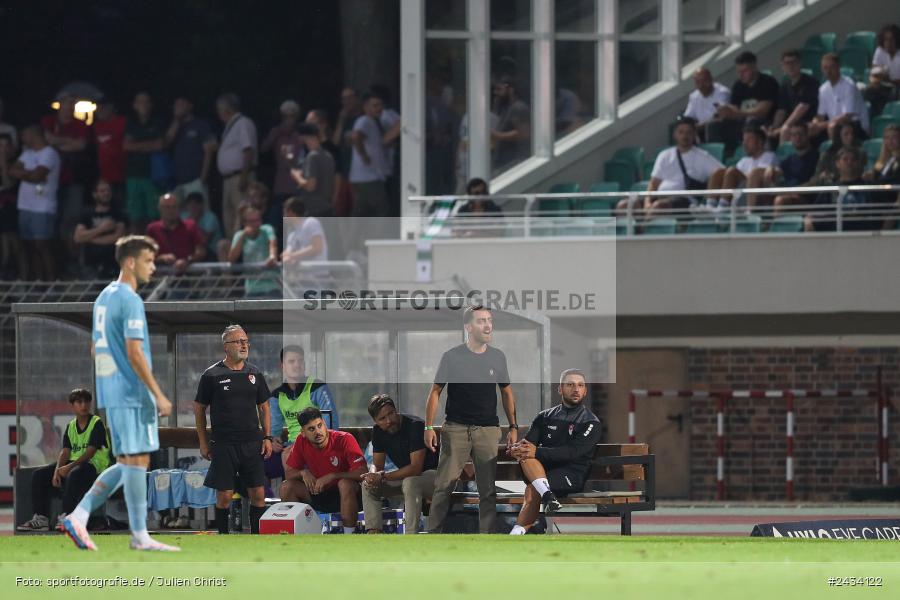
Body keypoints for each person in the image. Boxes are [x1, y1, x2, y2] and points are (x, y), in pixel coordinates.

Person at [61, 235, 177, 552]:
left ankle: (84, 517)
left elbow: (94, 348)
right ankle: (133, 533)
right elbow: (135, 352)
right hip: (131, 393)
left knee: (130, 461)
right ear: (130, 262)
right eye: (148, 260)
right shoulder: (129, 299)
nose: (153, 267)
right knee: (136, 461)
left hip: (114, 393)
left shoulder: (103, 297)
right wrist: (157, 394)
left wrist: (108, 384)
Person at [425, 304, 518, 534]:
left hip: (487, 430)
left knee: (487, 490)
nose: (487, 325)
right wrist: (429, 426)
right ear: (468, 327)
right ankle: (432, 534)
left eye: (489, 320)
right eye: (481, 321)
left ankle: (486, 538)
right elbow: (435, 391)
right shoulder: (451, 356)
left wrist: (513, 426)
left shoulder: (498, 357)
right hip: (455, 429)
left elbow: (506, 392)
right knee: (443, 486)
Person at [193, 325, 273, 534]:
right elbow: (199, 408)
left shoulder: (255, 373)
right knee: (225, 495)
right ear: (226, 347)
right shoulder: (211, 375)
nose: (243, 345)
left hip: (252, 443)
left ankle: (257, 536)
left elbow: (264, 407)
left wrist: (267, 437)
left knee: (258, 493)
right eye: (238, 341)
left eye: (245, 341)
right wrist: (203, 442)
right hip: (224, 443)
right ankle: (223, 536)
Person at [508, 369, 602, 535]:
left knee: (533, 487)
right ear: (560, 389)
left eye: (580, 385)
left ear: (585, 391)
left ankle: (516, 533)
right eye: (570, 384)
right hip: (541, 472)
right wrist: (517, 449)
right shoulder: (545, 416)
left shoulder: (590, 422)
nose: (576, 389)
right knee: (525, 454)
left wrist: (534, 451)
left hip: (571, 475)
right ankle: (548, 497)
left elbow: (572, 453)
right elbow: (529, 445)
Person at [17, 389, 111, 532]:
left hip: (95, 466)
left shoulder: (96, 423)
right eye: (79, 402)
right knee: (39, 475)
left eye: (86, 401)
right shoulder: (71, 426)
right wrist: (57, 471)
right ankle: (41, 519)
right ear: (72, 405)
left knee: (73, 474)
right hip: (76, 464)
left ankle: (68, 517)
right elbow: (66, 451)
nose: (84, 405)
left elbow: (91, 452)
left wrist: (68, 467)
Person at [281, 407, 367, 534]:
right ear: (303, 432)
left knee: (344, 483)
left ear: (324, 424)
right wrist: (303, 472)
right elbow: (289, 474)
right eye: (311, 429)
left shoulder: (344, 439)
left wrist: (333, 476)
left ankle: (350, 536)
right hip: (318, 492)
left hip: (346, 495)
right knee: (286, 487)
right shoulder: (301, 441)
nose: (318, 432)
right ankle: (300, 535)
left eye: (319, 425)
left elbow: (362, 472)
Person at [361, 394, 438, 534]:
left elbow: (416, 468)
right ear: (375, 421)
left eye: (391, 413)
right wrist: (373, 474)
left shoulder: (415, 426)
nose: (389, 420)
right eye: (382, 419)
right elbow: (377, 465)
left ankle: (410, 535)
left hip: (433, 476)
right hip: (405, 477)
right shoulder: (378, 431)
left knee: (410, 482)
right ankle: (373, 533)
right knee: (368, 485)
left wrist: (382, 476)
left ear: (396, 410)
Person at [266, 345, 338, 480]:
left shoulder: (318, 387)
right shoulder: (277, 395)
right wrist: (273, 440)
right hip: (291, 446)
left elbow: (331, 422)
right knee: (255, 461)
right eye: (291, 362)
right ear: (282, 366)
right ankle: (256, 500)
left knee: (288, 456)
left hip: (318, 444)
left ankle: (291, 493)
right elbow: (274, 428)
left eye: (300, 361)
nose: (297, 365)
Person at [629, 116, 722, 217]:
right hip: (659, 198)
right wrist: (647, 203)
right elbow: (653, 184)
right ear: (675, 134)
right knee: (625, 205)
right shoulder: (664, 155)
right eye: (681, 132)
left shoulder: (703, 157)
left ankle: (641, 230)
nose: (685, 136)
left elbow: (721, 172)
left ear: (694, 135)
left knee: (659, 206)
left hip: (684, 203)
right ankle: (620, 231)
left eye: (688, 132)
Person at [9, 125, 61, 281]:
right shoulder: (27, 153)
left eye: (24, 135)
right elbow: (12, 170)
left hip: (43, 207)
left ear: (33, 135)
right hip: (25, 206)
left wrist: (26, 174)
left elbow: (38, 176)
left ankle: (51, 284)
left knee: (42, 246)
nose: (22, 139)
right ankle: (38, 284)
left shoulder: (49, 153)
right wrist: (29, 174)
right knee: (30, 247)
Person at [42, 93, 90, 258]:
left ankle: (73, 260)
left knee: (71, 222)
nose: (70, 107)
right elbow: (46, 140)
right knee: (51, 223)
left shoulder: (80, 124)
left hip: (73, 180)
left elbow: (80, 145)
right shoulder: (49, 121)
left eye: (73, 103)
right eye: (67, 103)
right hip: (49, 181)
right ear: (59, 104)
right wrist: (68, 142)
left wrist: (57, 142)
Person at [707, 51, 779, 150]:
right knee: (713, 125)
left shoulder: (767, 82)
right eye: (739, 72)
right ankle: (720, 154)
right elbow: (734, 107)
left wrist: (737, 113)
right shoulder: (738, 85)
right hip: (741, 122)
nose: (741, 75)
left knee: (751, 121)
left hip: (762, 123)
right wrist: (726, 112)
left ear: (754, 67)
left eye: (744, 71)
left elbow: (762, 111)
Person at [216, 93, 258, 238]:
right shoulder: (229, 127)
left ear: (226, 109)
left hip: (240, 176)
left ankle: (244, 252)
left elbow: (248, 150)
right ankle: (232, 251)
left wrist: (244, 176)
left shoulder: (243, 123)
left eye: (220, 109)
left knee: (243, 216)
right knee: (229, 218)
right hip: (228, 179)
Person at [708, 125, 778, 210]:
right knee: (719, 172)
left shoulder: (769, 156)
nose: (744, 144)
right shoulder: (744, 160)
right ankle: (710, 205)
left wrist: (735, 174)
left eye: (748, 140)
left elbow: (759, 177)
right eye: (744, 140)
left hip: (756, 192)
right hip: (739, 190)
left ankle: (723, 206)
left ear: (759, 142)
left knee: (732, 171)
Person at [123, 92, 166, 233]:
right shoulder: (131, 123)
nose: (144, 105)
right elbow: (126, 146)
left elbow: (160, 145)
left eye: (146, 101)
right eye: (140, 102)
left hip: (152, 175)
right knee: (135, 216)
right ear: (135, 105)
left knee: (155, 215)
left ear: (151, 105)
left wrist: (138, 145)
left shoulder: (157, 122)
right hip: (133, 175)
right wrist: (149, 145)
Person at [804, 147, 872, 231]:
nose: (849, 162)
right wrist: (808, 219)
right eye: (845, 159)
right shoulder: (831, 189)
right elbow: (815, 210)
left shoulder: (868, 187)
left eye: (853, 159)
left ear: (857, 163)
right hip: (834, 230)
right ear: (837, 163)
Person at [166, 96, 216, 207]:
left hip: (195, 180)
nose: (178, 107)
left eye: (181, 104)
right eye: (176, 105)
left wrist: (203, 178)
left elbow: (209, 151)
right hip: (177, 183)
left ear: (190, 106)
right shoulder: (175, 126)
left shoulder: (200, 125)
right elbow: (167, 142)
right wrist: (176, 120)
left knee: (200, 215)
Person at [809, 53, 870, 140]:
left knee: (832, 127)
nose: (828, 71)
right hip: (834, 124)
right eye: (825, 68)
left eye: (831, 67)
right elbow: (820, 115)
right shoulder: (823, 89)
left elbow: (847, 116)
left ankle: (835, 152)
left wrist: (821, 126)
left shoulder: (849, 86)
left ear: (838, 67)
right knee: (808, 131)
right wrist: (814, 124)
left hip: (856, 125)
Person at [74, 180, 127, 278]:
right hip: (90, 263)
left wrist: (90, 239)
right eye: (102, 191)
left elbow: (118, 237)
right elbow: (78, 237)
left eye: (108, 190)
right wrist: (101, 229)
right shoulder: (86, 214)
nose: (106, 193)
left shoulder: (118, 214)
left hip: (113, 264)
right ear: (95, 194)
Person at [349, 91, 390, 218]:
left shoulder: (374, 123)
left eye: (380, 105)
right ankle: (378, 237)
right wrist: (364, 155)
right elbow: (356, 136)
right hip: (368, 178)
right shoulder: (364, 121)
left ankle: (354, 237)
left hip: (366, 177)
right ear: (366, 107)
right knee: (381, 211)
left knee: (362, 212)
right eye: (375, 105)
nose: (379, 108)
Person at [766, 49, 819, 145]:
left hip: (807, 122)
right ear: (782, 66)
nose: (790, 66)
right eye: (787, 63)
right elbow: (781, 111)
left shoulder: (810, 82)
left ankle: (785, 158)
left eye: (793, 62)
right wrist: (773, 127)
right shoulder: (785, 85)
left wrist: (784, 126)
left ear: (800, 64)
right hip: (791, 123)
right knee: (766, 132)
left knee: (786, 131)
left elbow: (802, 108)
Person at [146, 193, 205, 274]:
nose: (171, 210)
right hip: (162, 278)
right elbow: (145, 256)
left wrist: (187, 260)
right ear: (160, 209)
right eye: (167, 207)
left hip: (189, 277)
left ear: (179, 209)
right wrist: (162, 258)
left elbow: (201, 251)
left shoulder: (191, 225)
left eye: (174, 207)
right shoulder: (152, 229)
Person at [228, 204, 279, 298]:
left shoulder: (267, 229)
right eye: (252, 221)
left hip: (273, 287)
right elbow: (232, 259)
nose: (256, 224)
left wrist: (272, 256)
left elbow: (273, 244)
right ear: (244, 223)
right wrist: (243, 236)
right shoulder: (239, 235)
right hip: (252, 289)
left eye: (258, 220)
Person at [260, 99, 304, 208]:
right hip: (280, 183)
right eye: (285, 116)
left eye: (291, 116)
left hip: (298, 182)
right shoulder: (276, 132)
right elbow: (263, 149)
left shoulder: (301, 133)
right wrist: (274, 135)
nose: (288, 120)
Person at [771, 123, 822, 213]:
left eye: (800, 134)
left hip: (806, 199)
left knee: (780, 200)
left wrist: (793, 191)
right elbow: (778, 170)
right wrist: (770, 169)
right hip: (789, 193)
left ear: (807, 135)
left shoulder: (817, 157)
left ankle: (775, 226)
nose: (797, 138)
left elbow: (815, 182)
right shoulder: (790, 159)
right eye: (794, 135)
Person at [290, 122, 335, 218]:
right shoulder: (328, 155)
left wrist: (296, 176)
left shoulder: (312, 156)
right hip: (327, 208)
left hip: (314, 210)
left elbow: (311, 186)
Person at [331, 88, 362, 217]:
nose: (347, 101)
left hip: (359, 171)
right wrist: (341, 121)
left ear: (356, 99)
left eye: (350, 97)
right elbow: (335, 142)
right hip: (344, 170)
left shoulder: (362, 119)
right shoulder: (343, 120)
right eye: (344, 98)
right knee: (340, 208)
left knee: (357, 206)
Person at [92, 98, 127, 209]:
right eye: (98, 108)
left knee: (122, 209)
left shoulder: (122, 122)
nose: (100, 111)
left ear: (111, 107)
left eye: (103, 107)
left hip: (123, 175)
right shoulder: (96, 126)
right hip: (105, 177)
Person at [491, 76, 531, 172]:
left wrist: (498, 135)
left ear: (511, 90)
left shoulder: (518, 108)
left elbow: (524, 133)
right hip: (502, 159)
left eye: (499, 89)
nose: (495, 93)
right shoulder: (505, 108)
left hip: (514, 161)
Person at [0, 133, 26, 279]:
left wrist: (3, 164)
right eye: (0, 145)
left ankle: (22, 280)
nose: (3, 149)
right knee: (4, 246)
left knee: (16, 247)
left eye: (6, 145)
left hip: (13, 208)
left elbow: (8, 184)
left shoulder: (18, 163)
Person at [683, 68, 731, 142]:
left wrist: (699, 126)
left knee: (712, 126)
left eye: (704, 81)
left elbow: (720, 116)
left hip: (719, 130)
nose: (701, 85)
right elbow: (688, 118)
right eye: (698, 82)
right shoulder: (694, 96)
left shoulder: (722, 93)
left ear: (711, 80)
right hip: (699, 131)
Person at [182, 190, 225, 262]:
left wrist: (193, 222)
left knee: (201, 250)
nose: (193, 207)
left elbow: (204, 240)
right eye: (190, 204)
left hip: (212, 253)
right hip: (191, 251)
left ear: (202, 205)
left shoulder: (210, 217)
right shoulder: (183, 216)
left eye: (196, 204)